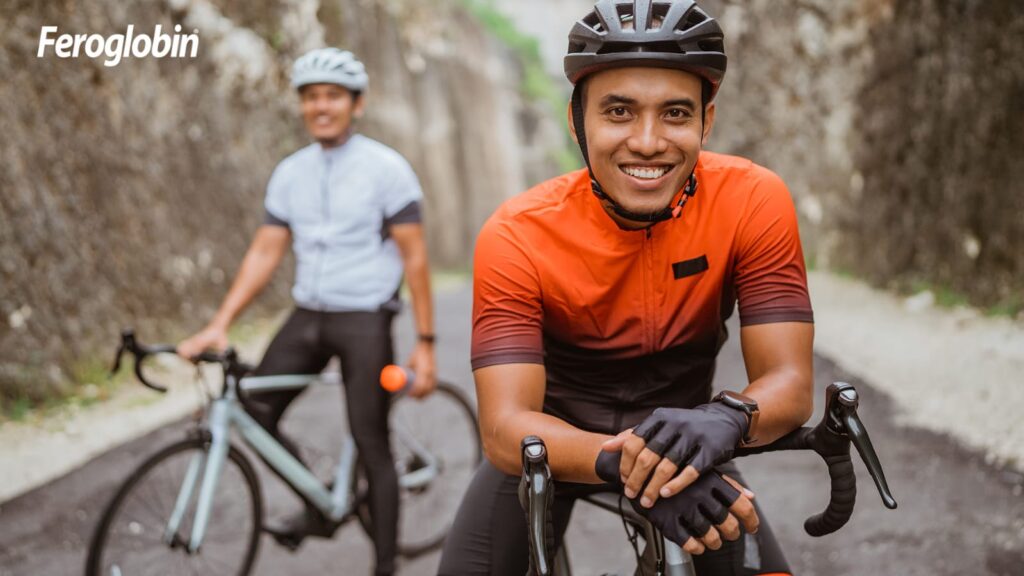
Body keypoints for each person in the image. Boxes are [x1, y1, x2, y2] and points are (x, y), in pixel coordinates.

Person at [438, 1, 813, 574]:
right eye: (618, 111)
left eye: (675, 114)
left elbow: (789, 382)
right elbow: (503, 427)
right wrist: (635, 463)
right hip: (552, 440)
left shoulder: (752, 200)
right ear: (577, 121)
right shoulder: (517, 233)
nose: (646, 141)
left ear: (706, 122)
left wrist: (729, 418)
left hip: (690, 443)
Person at [177, 47, 436, 576]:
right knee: (253, 405)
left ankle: (385, 565)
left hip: (365, 317)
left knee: (370, 442)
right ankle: (322, 501)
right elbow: (265, 251)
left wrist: (426, 344)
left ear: (355, 104)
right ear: (302, 106)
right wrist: (220, 323)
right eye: (311, 97)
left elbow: (415, 257)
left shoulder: (386, 169)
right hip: (308, 313)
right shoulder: (290, 172)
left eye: (333, 96)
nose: (321, 106)